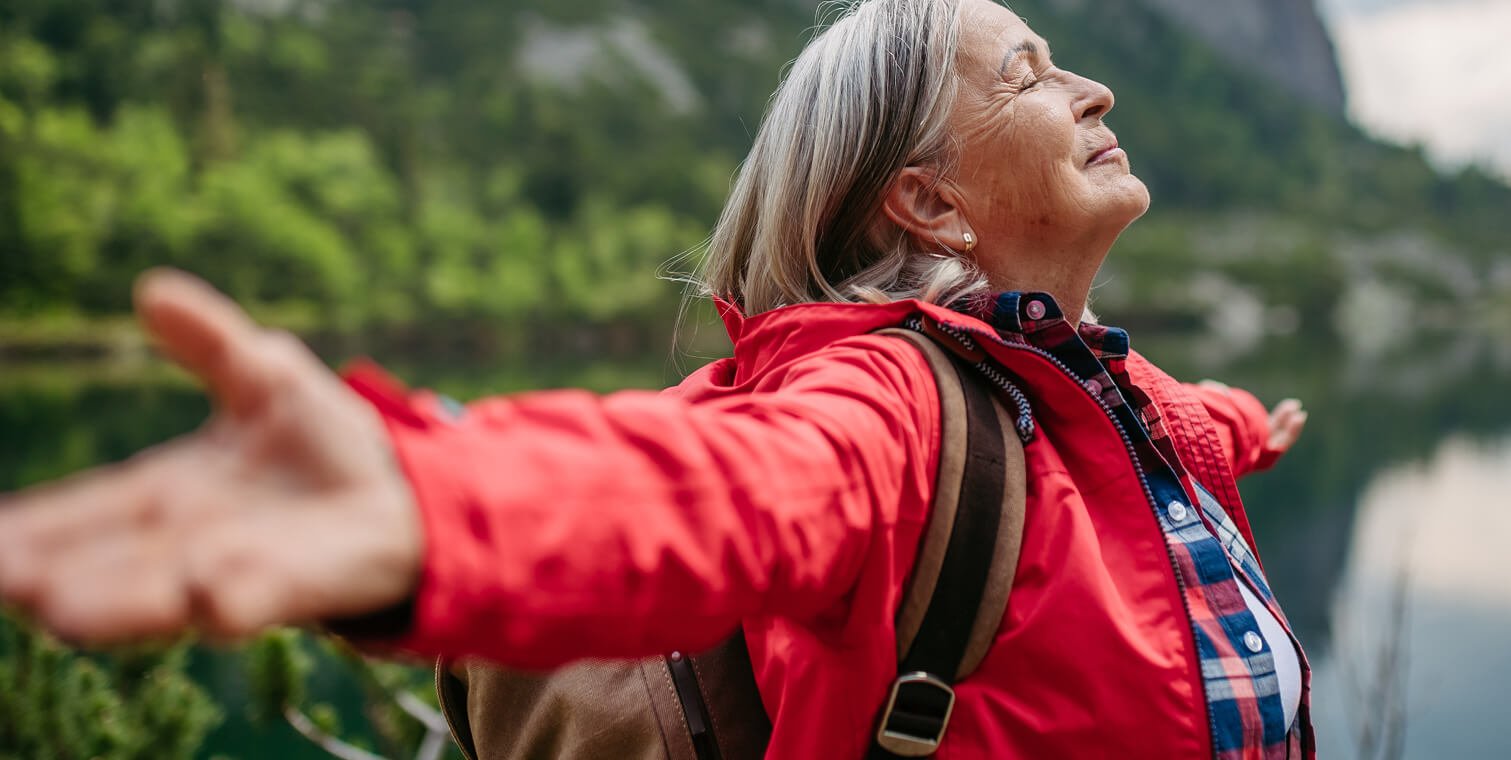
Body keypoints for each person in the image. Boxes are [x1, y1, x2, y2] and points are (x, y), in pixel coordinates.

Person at [0, 0, 1314, 757]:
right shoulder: (897, 414)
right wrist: (433, 513)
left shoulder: (1108, 390)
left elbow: (1184, 426)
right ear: (929, 202)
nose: (1089, 89)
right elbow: (725, 491)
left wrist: (1257, 429)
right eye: (1030, 74)